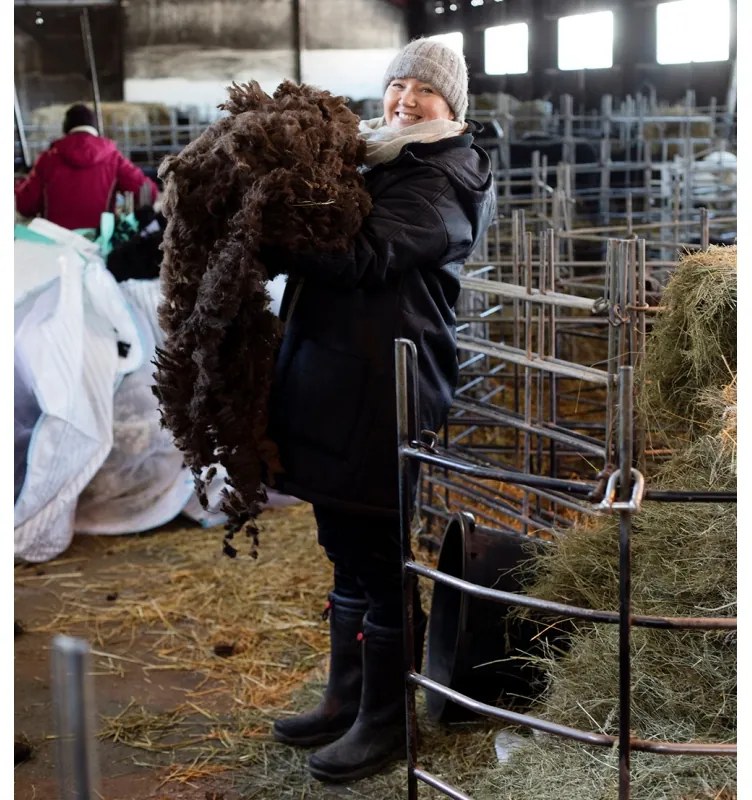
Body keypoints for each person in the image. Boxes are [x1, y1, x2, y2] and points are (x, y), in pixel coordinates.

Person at [265, 38, 496, 783]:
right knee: (343, 541)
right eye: (397, 84)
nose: (405, 98)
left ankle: (385, 717)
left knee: (377, 545)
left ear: (450, 106)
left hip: (391, 386)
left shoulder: (444, 175)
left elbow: (364, 256)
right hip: (345, 383)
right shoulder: (386, 157)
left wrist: (272, 226)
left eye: (422, 90)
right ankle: (346, 695)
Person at [14, 103, 158, 231]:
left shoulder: (47, 159)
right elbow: (146, 192)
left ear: (66, 129)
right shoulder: (113, 157)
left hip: (56, 243)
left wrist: (21, 184)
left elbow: (25, 206)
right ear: (95, 128)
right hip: (99, 241)